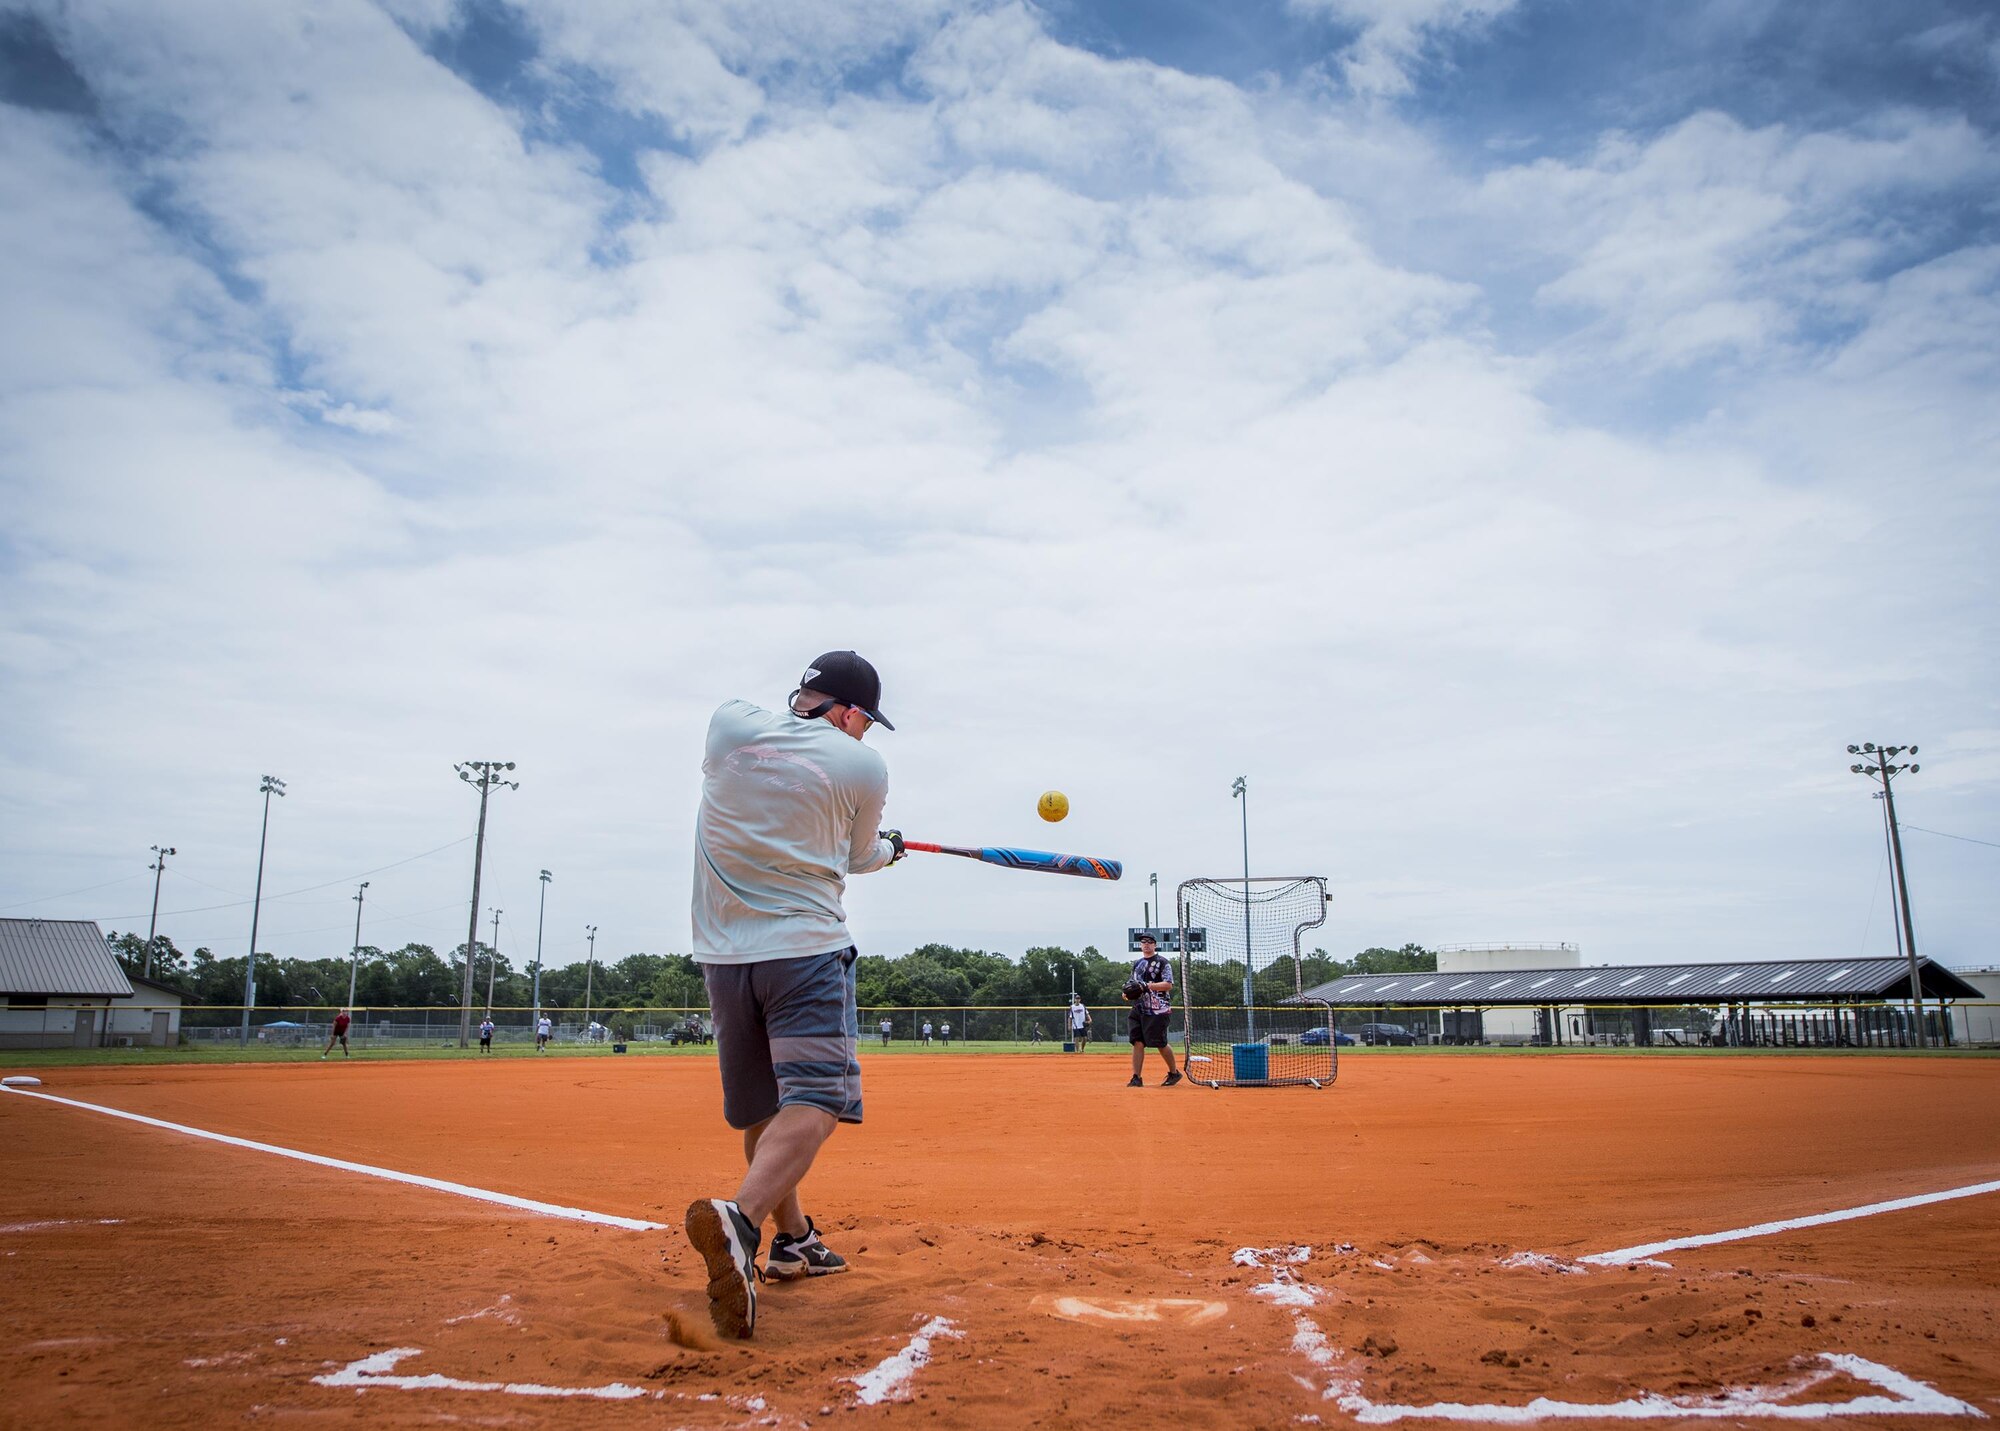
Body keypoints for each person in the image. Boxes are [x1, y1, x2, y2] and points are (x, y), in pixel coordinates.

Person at [683, 649, 903, 1340]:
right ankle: (742, 1223)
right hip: (804, 950)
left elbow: (775, 747)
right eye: (864, 719)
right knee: (818, 1099)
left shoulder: (729, 727)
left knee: (765, 1107)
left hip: (722, 955)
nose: (865, 732)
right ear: (845, 710)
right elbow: (858, 855)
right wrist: (891, 849)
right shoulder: (863, 767)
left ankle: (795, 1237)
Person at [1126, 934, 1181, 1088]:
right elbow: (1133, 984)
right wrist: (1127, 993)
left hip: (1158, 1009)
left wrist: (1148, 986)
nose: (1146, 944)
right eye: (1143, 942)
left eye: (1150, 942)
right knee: (1137, 1041)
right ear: (1140, 945)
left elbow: (1168, 984)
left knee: (1160, 1043)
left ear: (1155, 945)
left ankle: (1174, 1073)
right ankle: (1136, 1077)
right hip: (1138, 1008)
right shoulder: (1137, 963)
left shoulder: (1162, 962)